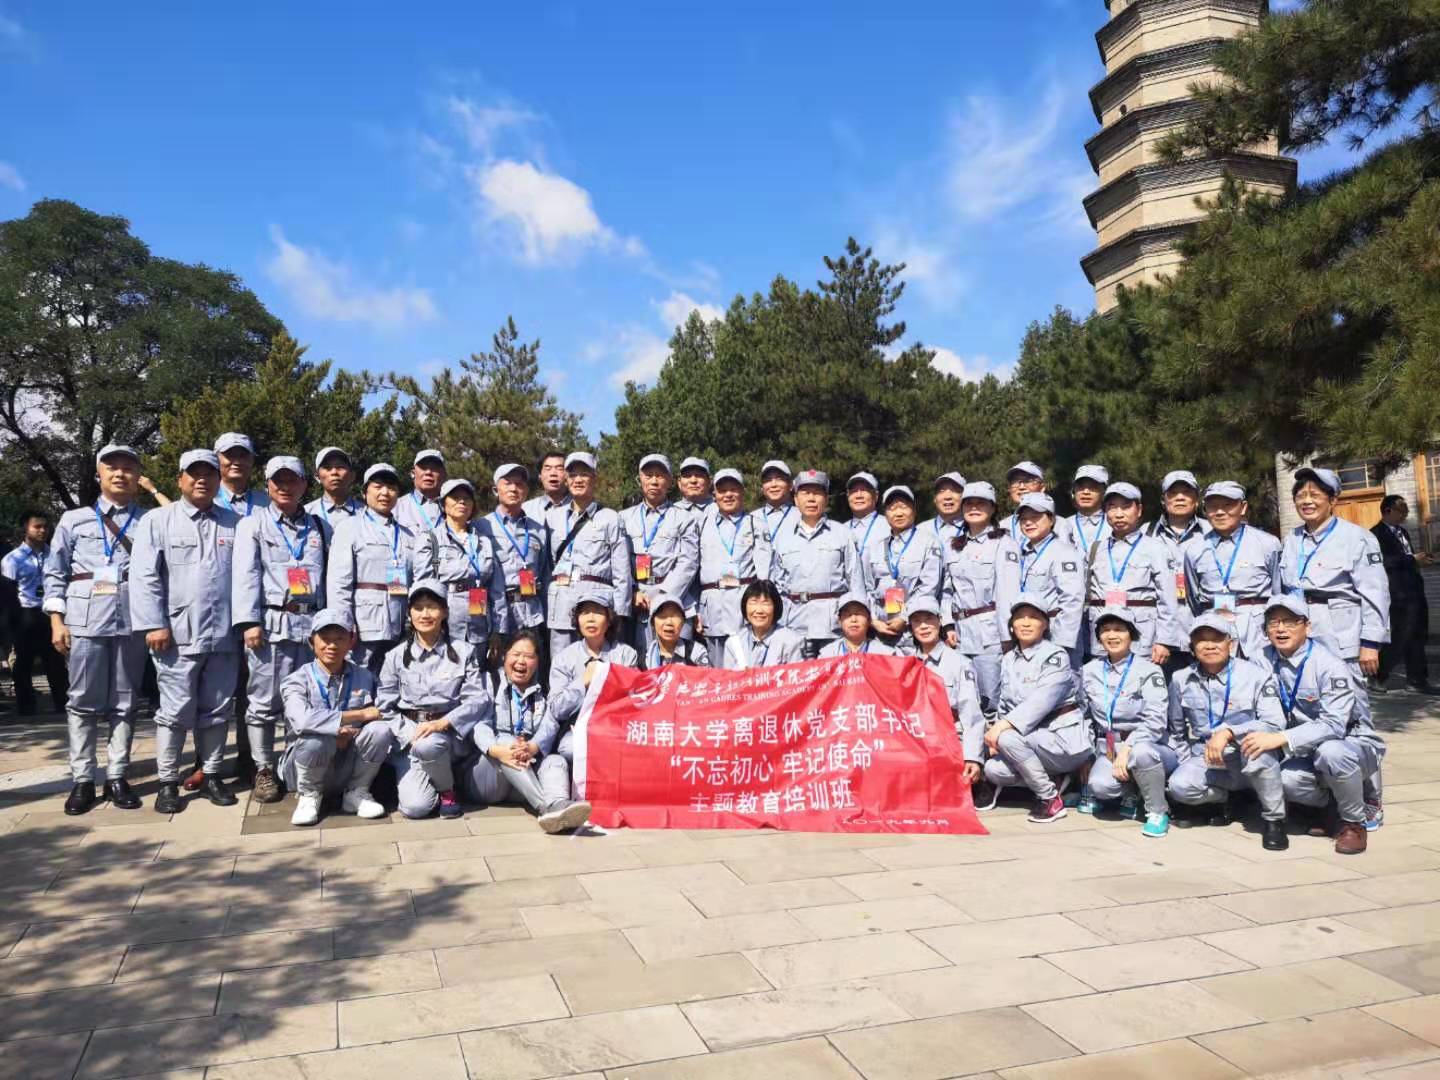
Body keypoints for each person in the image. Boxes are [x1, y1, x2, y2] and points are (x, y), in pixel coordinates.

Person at [129, 448, 242, 813]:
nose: (202, 480)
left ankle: (211, 774)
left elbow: (247, 578)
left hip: (224, 634)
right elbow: (144, 576)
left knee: (217, 710)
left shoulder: (236, 522)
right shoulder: (157, 520)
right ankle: (167, 782)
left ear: (219, 480)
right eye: (194, 473)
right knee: (174, 712)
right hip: (176, 636)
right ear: (179, 479)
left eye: (209, 473)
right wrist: (154, 623)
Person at [1278, 466, 1390, 827]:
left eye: (1315, 495)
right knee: (1310, 714)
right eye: (1301, 495)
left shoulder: (1357, 538)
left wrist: (1370, 643)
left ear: (1333, 500)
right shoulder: (1292, 539)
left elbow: (1375, 594)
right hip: (1302, 635)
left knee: (1357, 720)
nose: (1307, 501)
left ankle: (1371, 797)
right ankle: (1328, 794)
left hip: (1341, 635)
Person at [43, 444, 147, 814]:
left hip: (132, 618)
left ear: (138, 476)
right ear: (98, 474)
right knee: (82, 702)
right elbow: (54, 572)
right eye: (112, 467)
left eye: (128, 467)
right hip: (84, 620)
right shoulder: (74, 520)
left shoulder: (149, 521)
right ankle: (83, 778)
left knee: (125, 702)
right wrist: (56, 620)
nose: (120, 474)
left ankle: (117, 775)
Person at [231, 456, 328, 804]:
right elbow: (245, 575)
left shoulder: (318, 527)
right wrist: (249, 622)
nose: (285, 487)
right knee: (263, 702)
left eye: (292, 480)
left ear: (304, 485)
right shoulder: (253, 525)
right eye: (278, 481)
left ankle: (293, 766)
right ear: (268, 484)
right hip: (272, 626)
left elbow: (329, 578)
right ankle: (263, 768)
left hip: (311, 627)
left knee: (304, 701)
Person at [1260, 596, 1383, 854]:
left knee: (1332, 752)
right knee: (1284, 780)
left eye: (1290, 622)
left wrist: (1283, 738)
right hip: (1305, 747)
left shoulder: (1330, 664)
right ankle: (1330, 808)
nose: (1281, 629)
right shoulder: (1262, 659)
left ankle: (1353, 822)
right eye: (1274, 622)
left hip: (1350, 743)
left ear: (1307, 626)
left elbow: (1334, 724)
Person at [1165, 614, 1289, 850]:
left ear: (1230, 644)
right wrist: (1184, 760)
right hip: (1206, 756)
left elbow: (1274, 723)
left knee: (1260, 747)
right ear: (1193, 647)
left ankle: (1274, 819)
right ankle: (1228, 799)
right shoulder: (1181, 679)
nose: (1209, 646)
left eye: (1217, 639)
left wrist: (1229, 732)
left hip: (1246, 753)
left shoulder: (1256, 676)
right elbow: (1176, 730)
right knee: (1179, 786)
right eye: (1202, 640)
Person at [460, 629, 593, 833]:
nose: (521, 661)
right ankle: (545, 808)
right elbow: (479, 723)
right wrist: (497, 750)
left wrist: (532, 747)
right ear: (504, 656)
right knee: (506, 741)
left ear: (537, 661)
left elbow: (550, 724)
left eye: (529, 656)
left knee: (555, 760)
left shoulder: (545, 689)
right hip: (490, 776)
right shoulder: (489, 681)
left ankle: (559, 804)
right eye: (516, 654)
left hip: (525, 774)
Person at [379, 580, 489, 819]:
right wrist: (410, 735)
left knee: (430, 745)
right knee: (415, 808)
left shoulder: (464, 652)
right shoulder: (395, 657)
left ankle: (447, 791)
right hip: (412, 738)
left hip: (449, 737)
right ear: (409, 613)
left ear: (445, 612)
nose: (425, 614)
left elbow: (477, 699)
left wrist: (443, 723)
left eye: (432, 607)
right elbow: (385, 707)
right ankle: (443, 781)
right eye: (418, 608)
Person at [278, 606, 393, 826]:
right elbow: (303, 720)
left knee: (380, 730)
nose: (332, 645)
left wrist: (354, 731)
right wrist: (355, 716)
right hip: (305, 763)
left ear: (351, 642)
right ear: (312, 642)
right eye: (325, 639)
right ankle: (309, 796)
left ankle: (357, 792)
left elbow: (380, 714)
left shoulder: (365, 676)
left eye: (340, 638)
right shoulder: (296, 680)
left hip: (348, 759)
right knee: (316, 737)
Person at [982, 599, 1090, 822]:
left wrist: (1000, 729)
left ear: (1045, 624)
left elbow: (1041, 701)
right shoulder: (1009, 659)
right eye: (1020, 618)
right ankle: (1055, 780)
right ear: (1012, 625)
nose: (1026, 623)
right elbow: (1004, 704)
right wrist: (998, 731)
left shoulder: (1056, 655)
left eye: (1033, 617)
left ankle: (1049, 798)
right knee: (994, 770)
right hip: (1030, 741)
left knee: (1006, 738)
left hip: (1061, 740)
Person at [1077, 609, 1174, 836]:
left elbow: (1156, 720)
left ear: (1132, 635)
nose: (1112, 635)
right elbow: (1085, 715)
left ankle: (1157, 811)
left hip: (1148, 745)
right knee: (1100, 786)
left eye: (1119, 630)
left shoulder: (1149, 670)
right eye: (1105, 630)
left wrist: (1128, 748)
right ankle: (1132, 791)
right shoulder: (1089, 670)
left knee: (1141, 754)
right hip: (1109, 746)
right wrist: (1085, 755)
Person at [326, 463, 424, 674]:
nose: (385, 493)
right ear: (365, 492)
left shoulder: (408, 535)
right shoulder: (349, 528)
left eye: (391, 488)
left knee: (393, 679)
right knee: (358, 678)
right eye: (378, 487)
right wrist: (343, 623)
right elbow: (338, 583)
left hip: (399, 624)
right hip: (363, 625)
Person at [940, 482, 1020, 715]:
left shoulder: (1003, 543)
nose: (974, 508)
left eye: (981, 503)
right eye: (969, 503)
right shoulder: (953, 546)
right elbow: (947, 589)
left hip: (990, 634)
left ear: (993, 508)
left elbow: (1008, 593)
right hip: (960, 634)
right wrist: (947, 624)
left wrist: (1007, 637)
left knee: (990, 697)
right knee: (962, 695)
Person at [543, 452, 631, 662]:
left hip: (596, 604)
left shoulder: (610, 518)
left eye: (584, 474)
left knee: (599, 663)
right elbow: (546, 565)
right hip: (561, 604)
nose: (578, 480)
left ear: (595, 479)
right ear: (566, 479)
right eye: (573, 475)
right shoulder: (552, 517)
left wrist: (619, 613)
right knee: (562, 662)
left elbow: (621, 570)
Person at [414, 478, 509, 665]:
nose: (462, 502)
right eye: (455, 497)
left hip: (479, 622)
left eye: (467, 498)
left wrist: (498, 630)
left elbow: (496, 590)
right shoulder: (429, 539)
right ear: (443, 504)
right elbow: (423, 585)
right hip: (444, 622)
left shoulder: (484, 542)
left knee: (476, 671)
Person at [1085, 482, 1182, 666]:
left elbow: (1168, 598)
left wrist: (1164, 641)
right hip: (1102, 635)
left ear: (1139, 510)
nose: (1119, 514)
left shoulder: (1156, 549)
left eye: (1126, 507)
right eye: (1112, 507)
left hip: (1141, 634)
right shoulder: (1096, 549)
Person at [1186, 481, 1281, 660]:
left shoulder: (1267, 544)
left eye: (1228, 505)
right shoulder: (1194, 550)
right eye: (1213, 506)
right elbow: (1193, 598)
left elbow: (1279, 591)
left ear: (1243, 507)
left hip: (1257, 631)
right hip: (1215, 631)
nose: (1220, 512)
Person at [769, 470, 857, 658]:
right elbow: (777, 585)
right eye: (805, 493)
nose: (811, 499)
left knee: (833, 674)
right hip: (794, 623)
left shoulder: (843, 534)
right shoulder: (783, 538)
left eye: (817, 493)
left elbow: (855, 581)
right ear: (795, 499)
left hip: (832, 625)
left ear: (826, 499)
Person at [548, 588, 639, 768]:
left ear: (609, 620)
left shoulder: (626, 654)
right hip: (577, 729)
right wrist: (582, 683)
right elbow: (556, 709)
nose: (590, 618)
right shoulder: (564, 658)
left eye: (597, 612)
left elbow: (634, 699)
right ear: (577, 620)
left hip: (616, 727)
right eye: (584, 613)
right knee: (571, 748)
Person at [619, 454, 698, 653]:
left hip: (673, 599)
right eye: (648, 475)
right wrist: (633, 592)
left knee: (675, 660)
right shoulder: (623, 518)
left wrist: (664, 596)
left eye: (660, 476)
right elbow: (619, 561)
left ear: (670, 481)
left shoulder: (685, 518)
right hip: (638, 601)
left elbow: (688, 562)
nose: (654, 481)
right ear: (639, 479)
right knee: (640, 660)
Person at [904, 595, 985, 786]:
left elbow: (971, 714)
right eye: (917, 621)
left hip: (949, 739)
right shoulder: (905, 663)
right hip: (916, 738)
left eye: (929, 619)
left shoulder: (960, 663)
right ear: (911, 627)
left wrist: (972, 757)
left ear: (940, 621)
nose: (924, 626)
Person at [858, 485, 942, 650]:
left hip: (915, 629)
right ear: (885, 514)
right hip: (880, 631)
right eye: (892, 508)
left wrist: (904, 617)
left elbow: (929, 587)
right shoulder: (874, 548)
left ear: (914, 510)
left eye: (903, 507)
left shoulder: (929, 543)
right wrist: (873, 620)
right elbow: (867, 587)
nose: (898, 513)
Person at [1145, 470, 1211, 675]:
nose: (1180, 498)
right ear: (1163, 500)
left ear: (1197, 500)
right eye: (1173, 493)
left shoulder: (1212, 533)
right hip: (1160, 638)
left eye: (1187, 493)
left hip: (1202, 631)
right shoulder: (1146, 533)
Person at [3, 509, 68, 716]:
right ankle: (26, 706)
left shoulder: (55, 555)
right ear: (25, 529)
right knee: (23, 661)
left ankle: (62, 702)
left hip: (51, 613)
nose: (42, 531)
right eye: (37, 526)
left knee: (56, 660)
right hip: (25, 613)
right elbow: (8, 592)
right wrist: (11, 623)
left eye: (45, 527)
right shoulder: (12, 559)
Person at [478, 464, 548, 648]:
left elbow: (542, 571)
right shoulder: (481, 526)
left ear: (526, 491)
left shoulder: (538, 530)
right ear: (496, 490)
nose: (514, 489)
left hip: (531, 611)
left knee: (530, 661)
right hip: (495, 612)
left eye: (519, 484)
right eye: (507, 483)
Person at [1013, 493, 1086, 668]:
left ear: (1051, 519)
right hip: (1027, 634)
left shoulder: (1064, 552)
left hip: (1053, 634)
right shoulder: (1021, 553)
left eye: (1035, 517)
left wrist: (1061, 644)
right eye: (1023, 519)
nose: (1028, 523)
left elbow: (1072, 600)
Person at [1372, 494, 1434, 693]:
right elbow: (1382, 562)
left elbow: (1407, 558)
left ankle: (1417, 680)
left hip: (1414, 590)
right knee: (1400, 636)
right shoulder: (1375, 535)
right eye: (1402, 511)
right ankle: (1377, 676)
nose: (1405, 515)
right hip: (1397, 593)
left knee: (1418, 635)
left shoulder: (1403, 532)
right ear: (1388, 510)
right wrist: (1412, 559)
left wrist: (1418, 561)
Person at [696, 468, 758, 666]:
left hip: (743, 605)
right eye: (722, 491)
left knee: (744, 667)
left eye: (733, 489)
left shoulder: (754, 523)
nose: (728, 495)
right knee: (716, 670)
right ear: (714, 494)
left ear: (742, 492)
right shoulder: (702, 524)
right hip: (713, 609)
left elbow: (765, 572)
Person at [723, 580, 805, 668]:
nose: (759, 610)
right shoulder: (734, 643)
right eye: (753, 602)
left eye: (765, 603)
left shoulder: (791, 642)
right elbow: (728, 676)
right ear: (745, 606)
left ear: (775, 607)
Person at [1000, 462, 1074, 547]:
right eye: (1015, 482)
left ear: (1042, 487)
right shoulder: (1003, 526)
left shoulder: (1060, 524)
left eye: (1028, 481)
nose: (1021, 487)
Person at [306, 446, 362, 543]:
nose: (334, 472)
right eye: (327, 468)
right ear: (317, 477)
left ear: (352, 475)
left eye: (340, 467)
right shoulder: (307, 514)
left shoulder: (365, 513)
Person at [749, 459, 794, 580]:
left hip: (792, 587)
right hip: (760, 587)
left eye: (779, 479)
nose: (773, 485)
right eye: (768, 480)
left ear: (790, 485)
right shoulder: (751, 518)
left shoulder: (802, 517)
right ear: (762, 488)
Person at [643, 593, 712, 667]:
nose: (669, 622)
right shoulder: (646, 658)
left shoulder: (696, 652)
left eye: (675, 616)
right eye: (663, 616)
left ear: (683, 622)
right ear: (652, 622)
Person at [819, 592, 895, 657]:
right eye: (848, 615)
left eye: (859, 614)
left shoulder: (885, 654)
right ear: (839, 621)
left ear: (869, 620)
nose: (853, 620)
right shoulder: (827, 655)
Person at [213, 432, 271, 518]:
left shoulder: (267, 502)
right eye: (230, 455)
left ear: (252, 460)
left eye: (243, 456)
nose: (237, 462)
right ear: (216, 459)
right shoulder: (206, 501)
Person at [394, 449, 447, 534]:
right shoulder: (396, 507)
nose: (428, 472)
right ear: (413, 473)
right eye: (423, 467)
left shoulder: (456, 508)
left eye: (434, 468)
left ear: (444, 475)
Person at [1065, 465, 1111, 553]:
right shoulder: (1063, 525)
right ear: (1074, 491)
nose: (1085, 492)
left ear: (1104, 492)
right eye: (1080, 487)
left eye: (1093, 487)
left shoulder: (1114, 524)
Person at [523, 451, 571, 523]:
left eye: (559, 468)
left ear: (568, 475)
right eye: (547, 468)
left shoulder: (580, 507)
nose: (553, 473)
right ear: (540, 476)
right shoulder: (526, 510)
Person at [924, 472, 967, 548]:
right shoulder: (921, 530)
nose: (947, 497)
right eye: (942, 491)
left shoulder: (974, 530)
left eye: (954, 490)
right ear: (935, 499)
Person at [846, 472, 882, 557]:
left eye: (864, 490)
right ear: (848, 496)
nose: (859, 496)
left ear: (876, 496)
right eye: (854, 491)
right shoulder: (840, 530)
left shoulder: (889, 528)